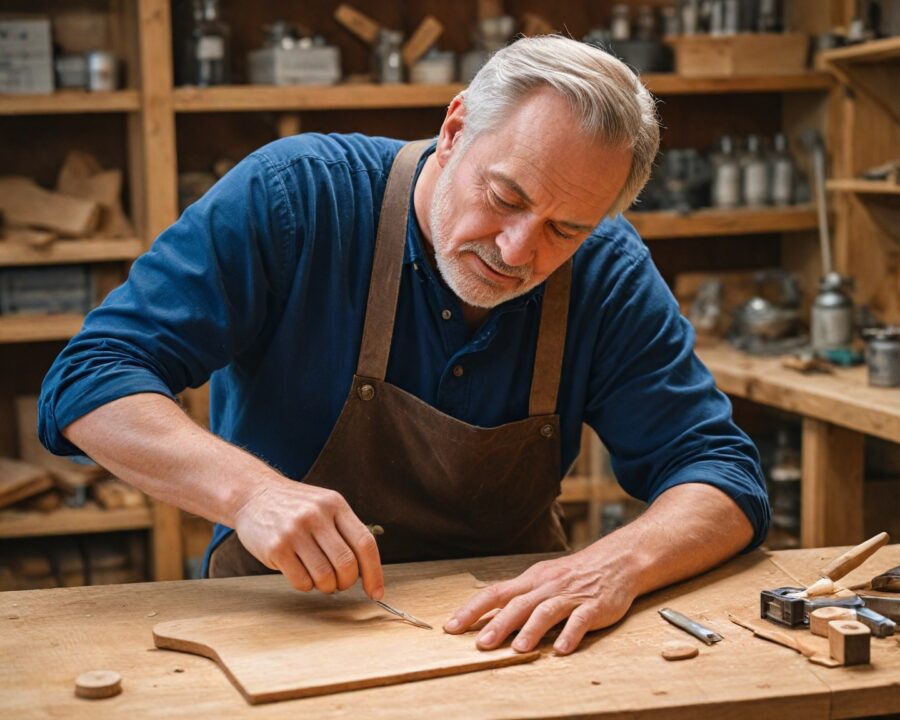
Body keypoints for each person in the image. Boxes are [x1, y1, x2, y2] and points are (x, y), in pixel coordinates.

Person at [38, 36, 769, 656]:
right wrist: (251, 492)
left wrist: (618, 564)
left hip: (506, 637)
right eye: (506, 198)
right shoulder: (297, 197)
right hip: (281, 624)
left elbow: (721, 472)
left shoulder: (606, 270)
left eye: (565, 229)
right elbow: (90, 378)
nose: (517, 250)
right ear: (454, 131)